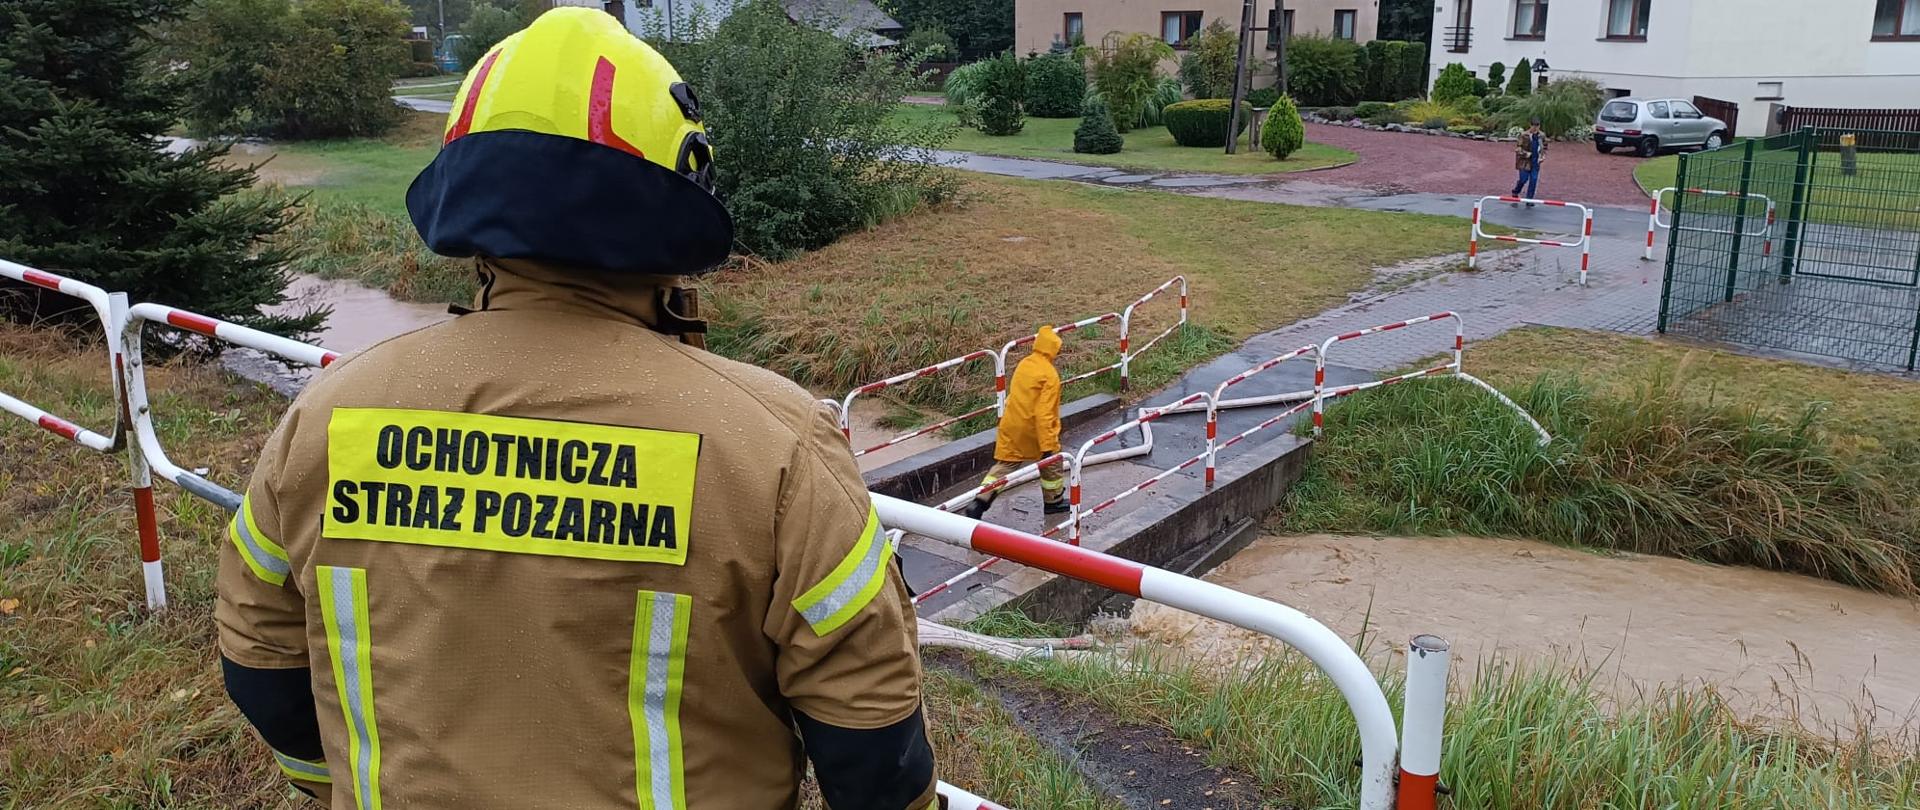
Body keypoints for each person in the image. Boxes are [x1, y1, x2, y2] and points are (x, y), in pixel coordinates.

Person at [214, 9, 935, 809]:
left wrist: (334, 786)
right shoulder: (775, 443)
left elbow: (259, 659)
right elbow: (871, 737)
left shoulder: (329, 413)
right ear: (675, 205)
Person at [965, 326, 1066, 522]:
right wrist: (1048, 445)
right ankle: (1053, 501)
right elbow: (1044, 413)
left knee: (1005, 465)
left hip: (1011, 423)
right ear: (1053, 349)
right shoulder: (1050, 375)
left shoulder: (1024, 364)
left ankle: (980, 501)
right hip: (1033, 430)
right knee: (1052, 463)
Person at [1511, 117, 1547, 206]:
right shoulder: (1524, 135)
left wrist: (1543, 156)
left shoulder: (1541, 135)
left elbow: (1544, 147)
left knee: (1533, 180)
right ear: (1530, 125)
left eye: (1537, 125)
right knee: (1523, 179)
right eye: (1533, 125)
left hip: (1535, 162)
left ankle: (1529, 199)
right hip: (1524, 162)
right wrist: (1526, 154)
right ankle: (1515, 191)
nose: (1535, 127)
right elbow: (1518, 148)